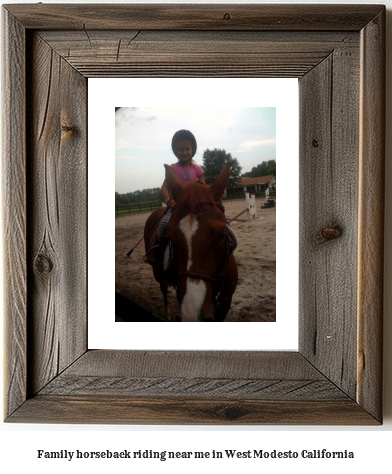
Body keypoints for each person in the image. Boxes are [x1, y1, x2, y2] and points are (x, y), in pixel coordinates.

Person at [144, 129, 236, 265]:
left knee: (223, 226)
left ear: (192, 149)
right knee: (163, 224)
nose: (184, 152)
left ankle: (227, 246)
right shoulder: (173, 169)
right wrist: (169, 200)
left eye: (187, 149)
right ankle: (155, 250)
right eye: (181, 149)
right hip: (179, 206)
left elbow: (204, 187)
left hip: (196, 206)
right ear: (176, 151)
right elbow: (164, 187)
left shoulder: (197, 169)